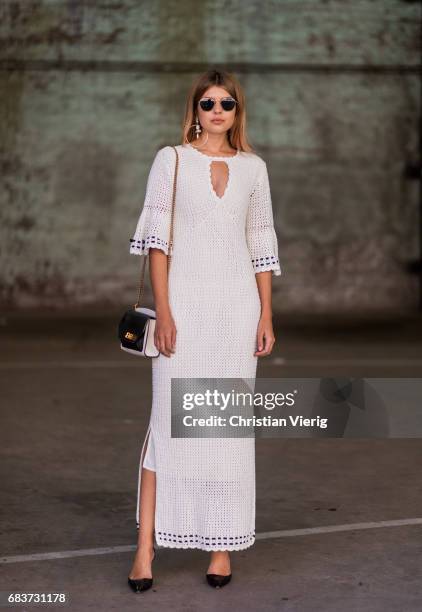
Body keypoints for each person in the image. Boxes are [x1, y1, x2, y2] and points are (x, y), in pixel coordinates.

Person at [127, 68, 281, 592]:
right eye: (208, 103)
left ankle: (221, 546)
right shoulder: (170, 161)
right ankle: (145, 547)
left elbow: (261, 244)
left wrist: (265, 314)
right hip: (185, 311)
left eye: (227, 104)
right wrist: (165, 313)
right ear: (194, 109)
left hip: (236, 312)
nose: (218, 111)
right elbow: (157, 244)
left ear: (238, 112)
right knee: (167, 427)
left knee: (224, 432)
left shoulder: (255, 169)